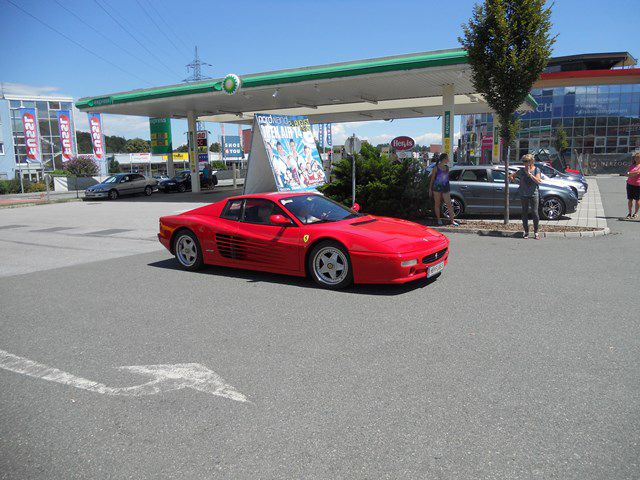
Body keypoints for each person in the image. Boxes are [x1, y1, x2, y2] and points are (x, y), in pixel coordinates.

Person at [509, 153, 542, 239]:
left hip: (534, 194)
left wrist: (530, 174)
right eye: (523, 161)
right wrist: (515, 181)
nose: (524, 163)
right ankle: (526, 231)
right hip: (523, 194)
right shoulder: (521, 171)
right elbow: (511, 176)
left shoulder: (536, 170)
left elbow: (538, 181)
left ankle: (536, 232)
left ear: (531, 161)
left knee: (535, 212)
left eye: (526, 161)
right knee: (524, 213)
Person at [429, 153, 459, 226]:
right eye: (447, 158)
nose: (448, 160)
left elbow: (446, 178)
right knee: (437, 204)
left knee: (449, 204)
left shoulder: (447, 167)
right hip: (437, 188)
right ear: (444, 159)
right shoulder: (436, 168)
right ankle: (439, 219)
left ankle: (452, 221)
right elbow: (432, 179)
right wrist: (430, 189)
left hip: (445, 187)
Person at [623, 151, 640, 219]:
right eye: (635, 158)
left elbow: (637, 173)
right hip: (630, 184)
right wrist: (630, 173)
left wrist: (630, 173)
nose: (636, 159)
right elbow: (626, 174)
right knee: (630, 199)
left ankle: (635, 213)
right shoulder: (631, 165)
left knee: (637, 199)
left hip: (638, 185)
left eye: (638, 158)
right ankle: (629, 213)